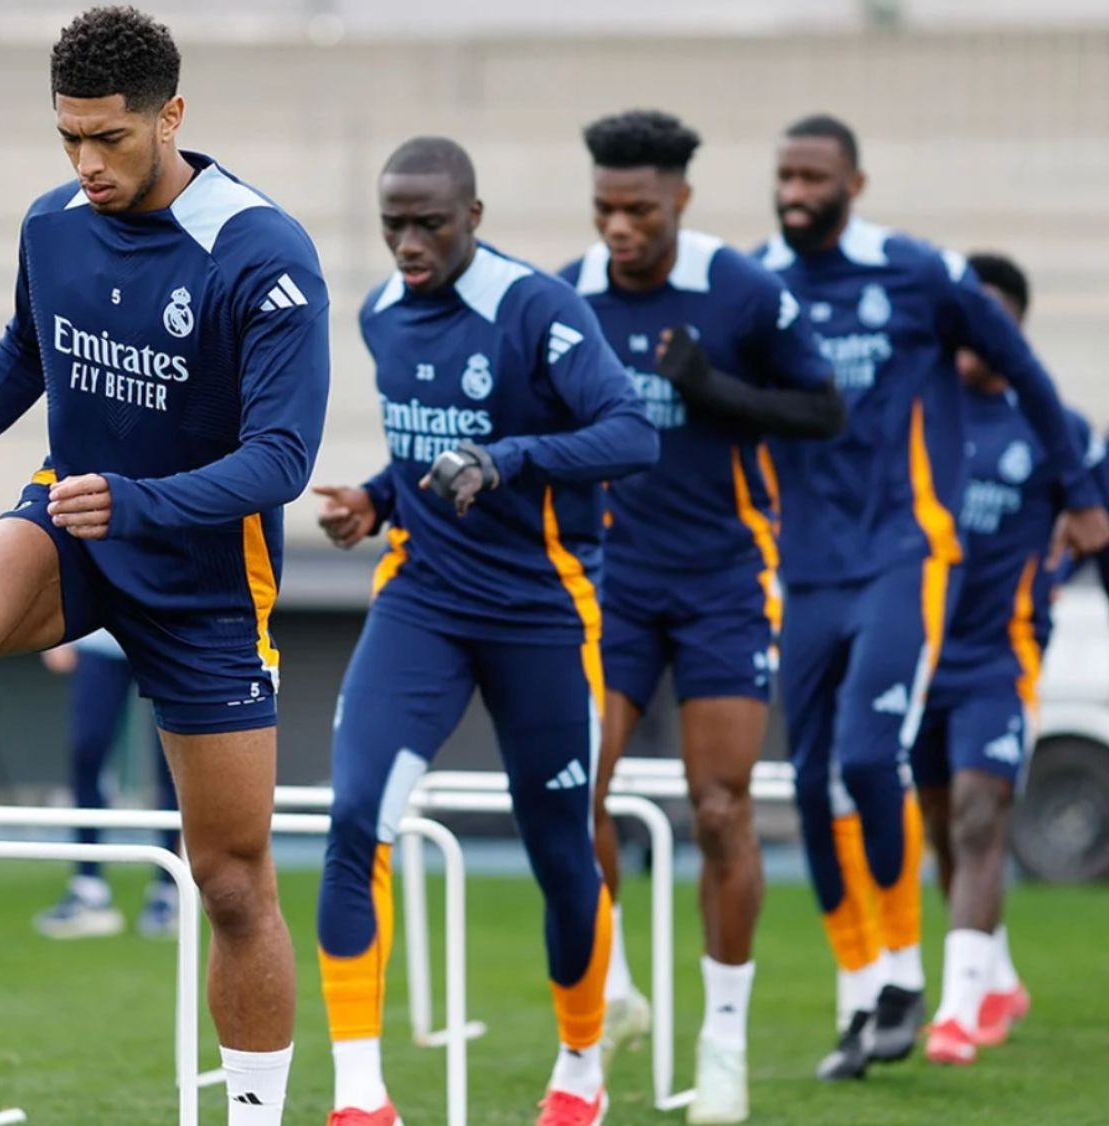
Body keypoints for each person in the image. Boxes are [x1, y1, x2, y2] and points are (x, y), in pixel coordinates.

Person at [0, 9, 330, 1121]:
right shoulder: (52, 223)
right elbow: (24, 352)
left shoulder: (261, 252)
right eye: (68, 138)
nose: (86, 163)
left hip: (205, 584)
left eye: (109, 139)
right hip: (72, 526)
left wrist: (141, 501)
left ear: (170, 116)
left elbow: (282, 460)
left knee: (231, 884)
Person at [312, 136, 657, 1126]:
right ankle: (359, 1096)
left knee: (559, 848)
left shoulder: (536, 309)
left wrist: (507, 457)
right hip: (420, 600)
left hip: (541, 612)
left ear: (473, 215)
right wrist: (376, 501)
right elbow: (420, 454)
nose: (409, 244)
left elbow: (631, 432)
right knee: (355, 820)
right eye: (393, 225)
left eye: (429, 224)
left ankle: (581, 1066)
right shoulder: (380, 312)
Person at [757, 113, 1109, 1079]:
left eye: (814, 176)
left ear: (854, 184)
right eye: (786, 174)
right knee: (816, 785)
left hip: (925, 577)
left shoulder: (918, 278)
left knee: (894, 772)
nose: (796, 191)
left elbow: (1033, 382)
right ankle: (878, 983)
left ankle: (927, 987)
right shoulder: (761, 283)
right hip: (808, 570)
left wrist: (1081, 498)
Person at [560, 110, 842, 1122]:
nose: (618, 227)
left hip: (726, 581)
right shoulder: (568, 294)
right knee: (573, 790)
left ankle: (722, 1039)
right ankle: (612, 992)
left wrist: (710, 387)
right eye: (604, 207)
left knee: (719, 807)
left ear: (679, 198)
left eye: (639, 209)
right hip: (612, 583)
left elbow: (823, 411)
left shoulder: (741, 289)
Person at [912, 253, 1095, 1064]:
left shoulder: (1056, 429)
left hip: (1001, 657)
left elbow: (1093, 525)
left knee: (981, 815)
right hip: (919, 655)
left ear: (1013, 326)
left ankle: (958, 1011)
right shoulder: (924, 416)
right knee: (945, 831)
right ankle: (997, 976)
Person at [32, 629, 180, 940]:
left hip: (166, 637)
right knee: (86, 752)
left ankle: (168, 892)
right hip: (99, 636)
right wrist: (60, 634)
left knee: (174, 762)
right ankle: (89, 891)